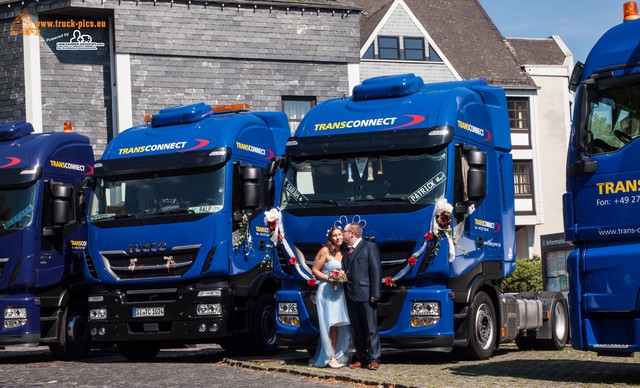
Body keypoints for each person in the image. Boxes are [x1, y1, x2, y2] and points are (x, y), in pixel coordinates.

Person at [309, 226, 351, 368]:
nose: (338, 237)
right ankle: (329, 357)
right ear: (330, 238)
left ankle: (333, 355)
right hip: (326, 290)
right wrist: (329, 278)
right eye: (334, 235)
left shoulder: (344, 252)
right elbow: (315, 270)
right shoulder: (325, 251)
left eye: (340, 235)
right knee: (328, 324)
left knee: (336, 325)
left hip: (338, 292)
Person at [342, 222, 382, 370]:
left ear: (352, 233)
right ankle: (361, 358)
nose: (342, 234)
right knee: (356, 328)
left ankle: (374, 359)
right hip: (350, 295)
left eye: (344, 231)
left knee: (371, 328)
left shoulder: (369, 247)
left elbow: (376, 271)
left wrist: (375, 293)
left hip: (366, 295)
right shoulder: (346, 251)